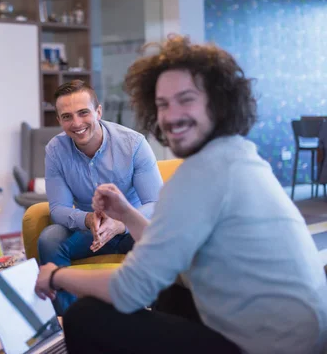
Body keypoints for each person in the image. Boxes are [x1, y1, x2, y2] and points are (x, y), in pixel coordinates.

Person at [34, 35, 327, 354]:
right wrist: (127, 213)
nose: (171, 116)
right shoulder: (236, 156)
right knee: (173, 293)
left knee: (84, 316)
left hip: (269, 345)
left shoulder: (201, 174)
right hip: (299, 335)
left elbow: (130, 288)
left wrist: (56, 276)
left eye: (186, 99)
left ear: (218, 102)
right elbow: (166, 244)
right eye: (162, 104)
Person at [39, 80, 162, 313]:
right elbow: (58, 208)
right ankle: (70, 322)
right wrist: (87, 219)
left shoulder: (133, 144)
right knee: (50, 239)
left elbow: (155, 203)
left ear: (98, 111)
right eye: (67, 117)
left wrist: (120, 223)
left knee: (157, 236)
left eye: (83, 113)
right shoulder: (55, 150)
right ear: (59, 120)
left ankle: (152, 319)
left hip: (131, 229)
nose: (76, 123)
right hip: (90, 230)